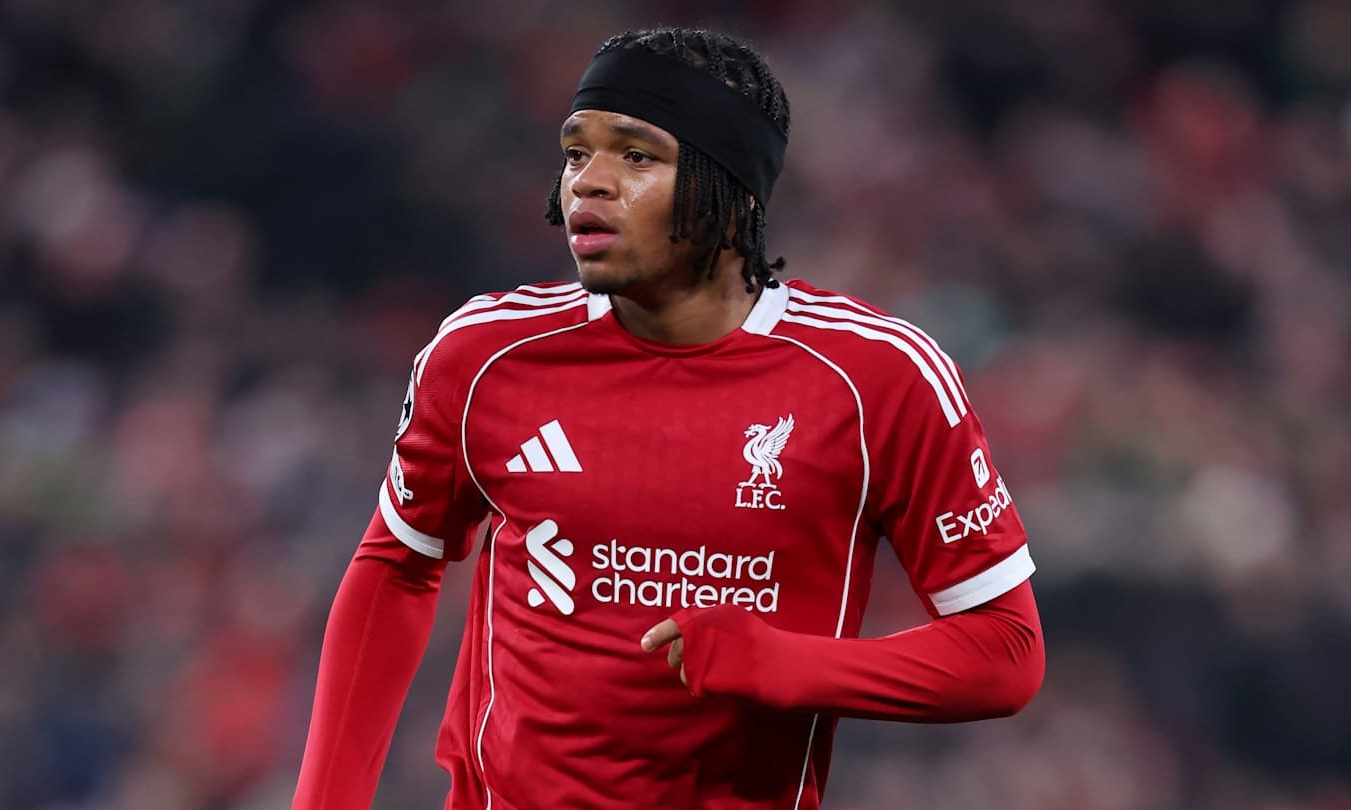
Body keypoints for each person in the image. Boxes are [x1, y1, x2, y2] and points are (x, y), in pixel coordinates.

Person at [293, 27, 1045, 810]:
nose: (590, 182)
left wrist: (788, 666)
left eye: (637, 156)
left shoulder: (878, 379)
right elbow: (396, 566)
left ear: (731, 195)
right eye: (577, 152)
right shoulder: (485, 355)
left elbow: (1005, 651)